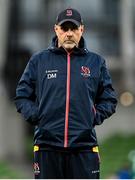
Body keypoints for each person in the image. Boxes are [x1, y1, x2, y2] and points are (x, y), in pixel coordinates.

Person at [15, 8, 117, 179]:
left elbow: (109, 99)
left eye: (74, 28)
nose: (69, 33)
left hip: (84, 147)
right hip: (47, 147)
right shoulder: (38, 61)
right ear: (56, 29)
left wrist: (91, 117)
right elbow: (22, 96)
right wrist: (38, 116)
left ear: (81, 30)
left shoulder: (96, 62)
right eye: (64, 28)